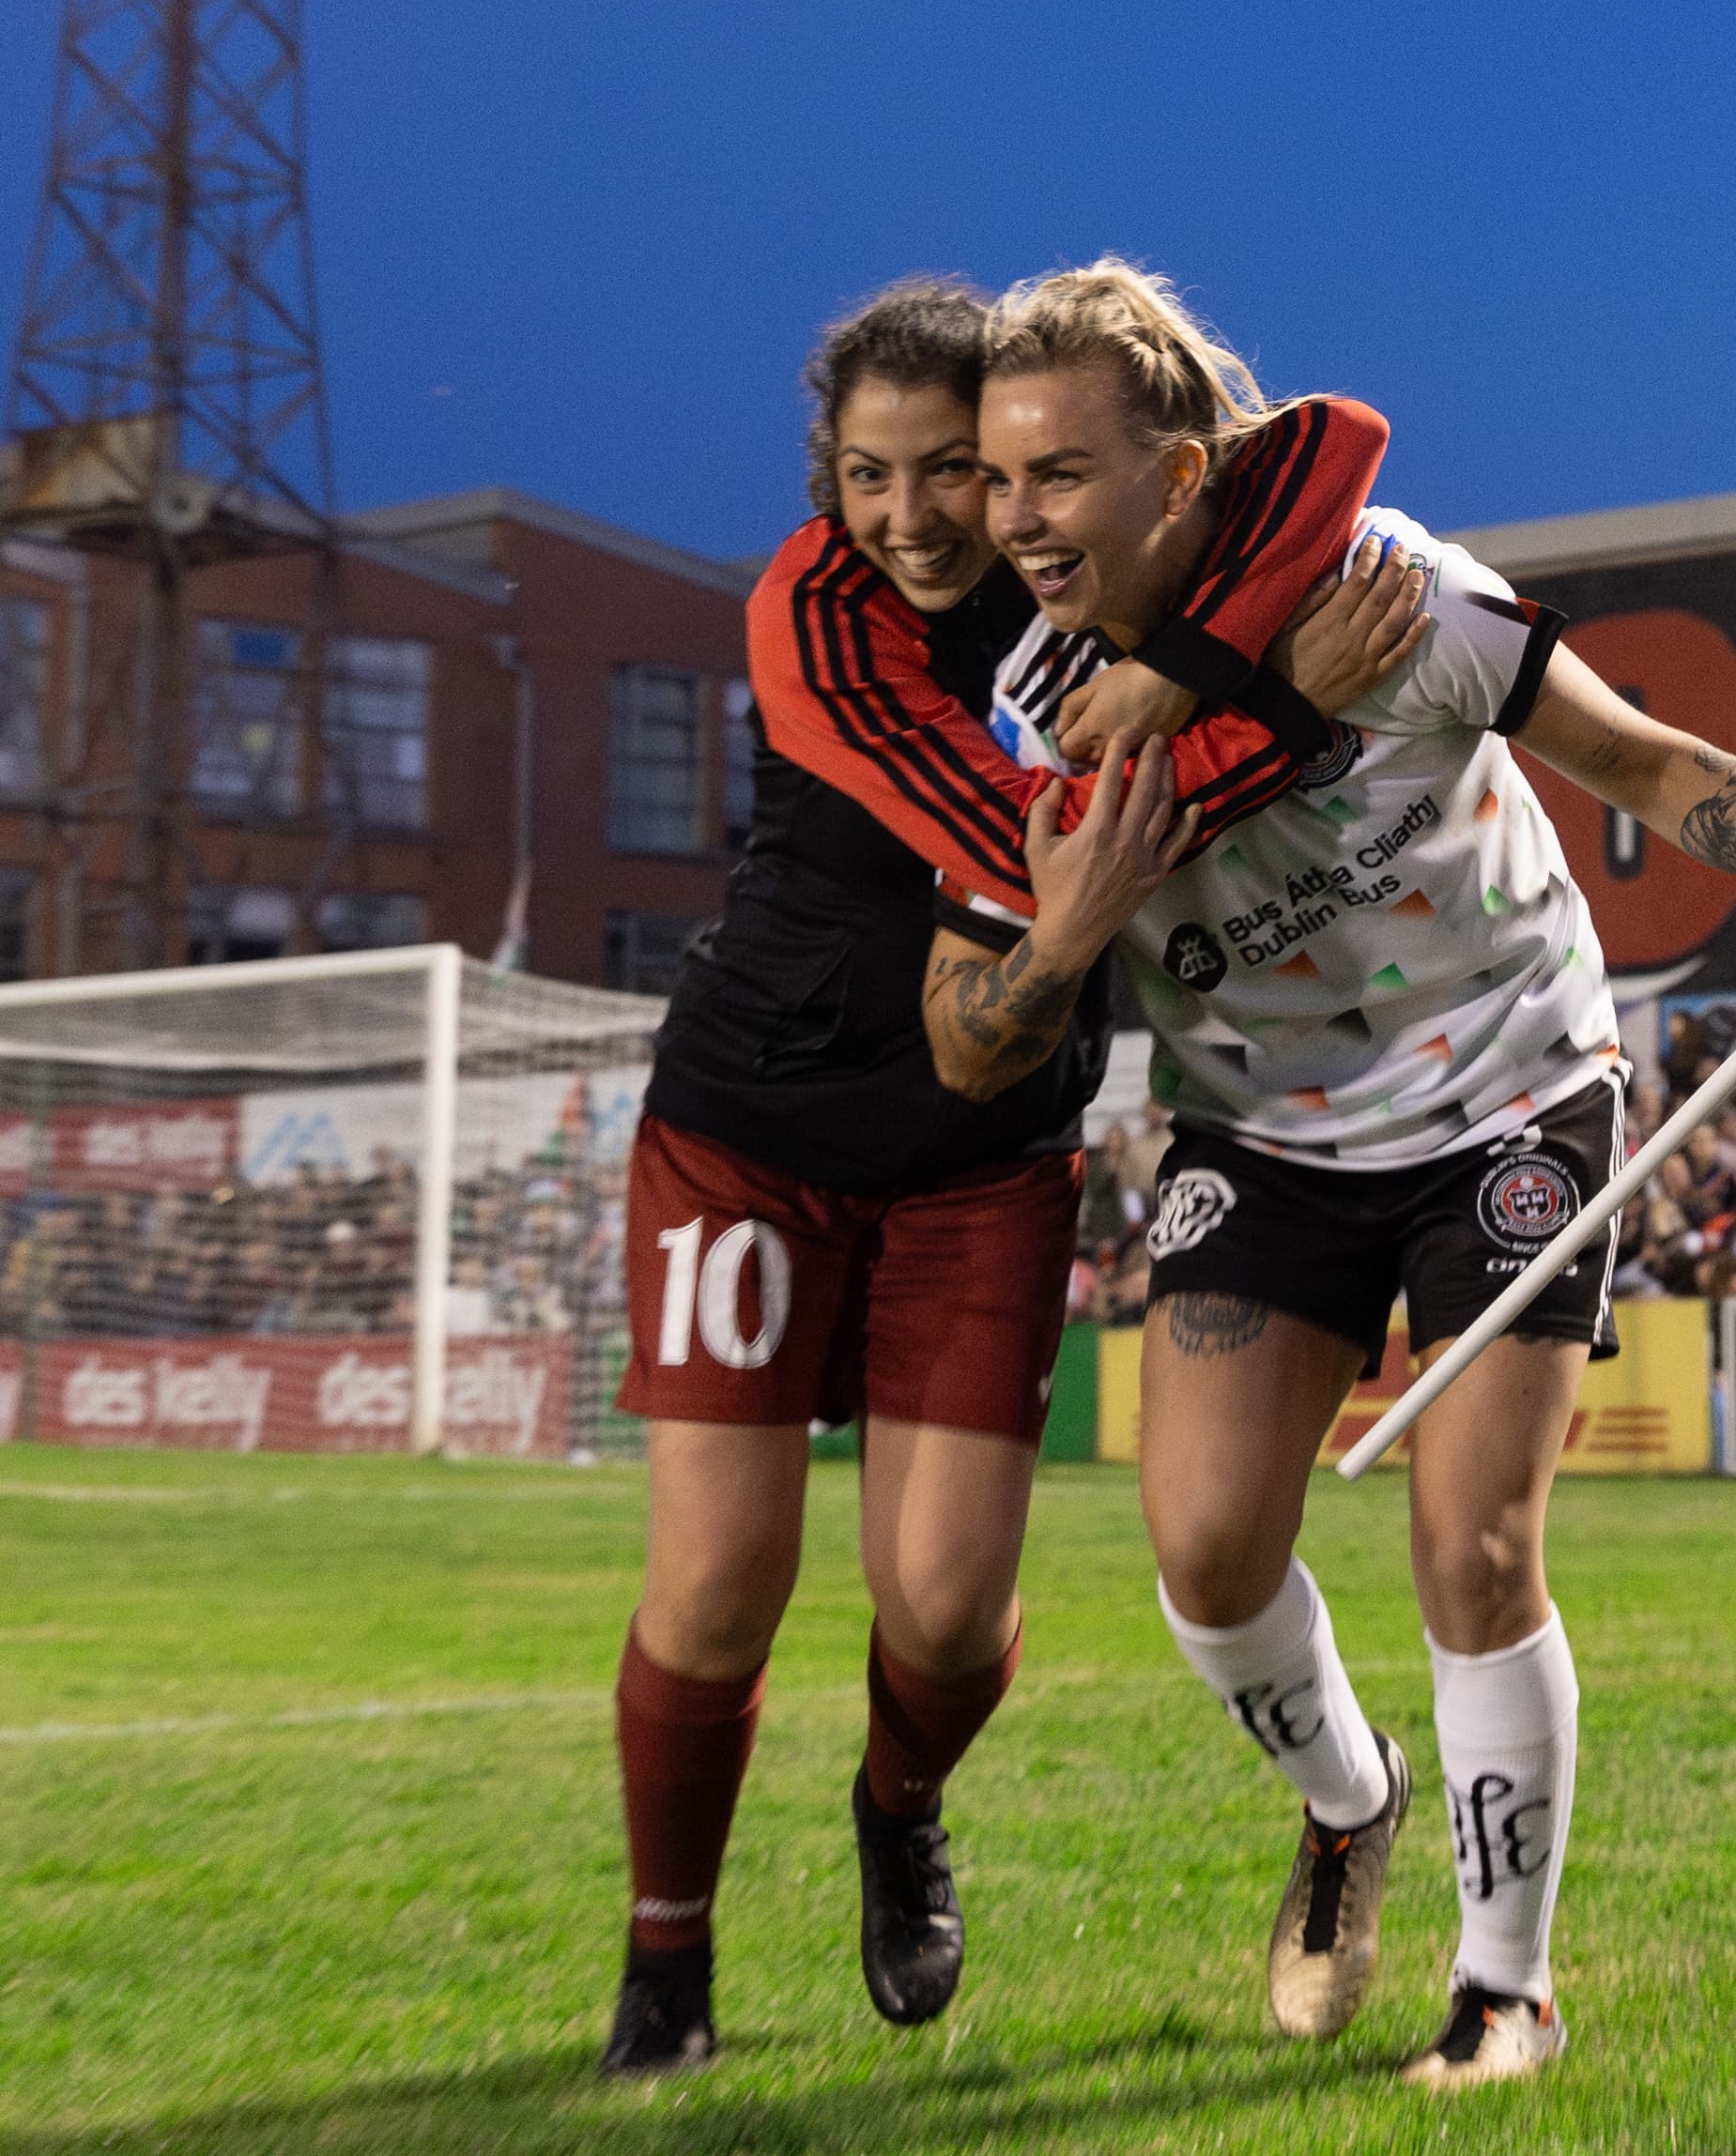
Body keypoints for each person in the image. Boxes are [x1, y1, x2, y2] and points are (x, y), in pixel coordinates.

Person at [960, 259, 1736, 2090]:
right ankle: (1347, 1809)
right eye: (998, 474)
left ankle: (1504, 1987)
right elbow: (1058, 886)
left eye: (1059, 473)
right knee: (1207, 1560)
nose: (1016, 517)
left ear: (1182, 474)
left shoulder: (1406, 591)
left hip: (1514, 1090)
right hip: (1258, 1128)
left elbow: (1638, 758)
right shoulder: (1024, 692)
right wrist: (1231, 721)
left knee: (1479, 1541)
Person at [594, 277, 1397, 2080]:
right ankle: (668, 1959)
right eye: (868, 476)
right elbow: (1039, 846)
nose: (913, 517)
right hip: (756, 1131)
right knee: (720, 1580)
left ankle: (899, 1807)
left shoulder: (1087, 576)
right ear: (828, 482)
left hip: (984, 1158)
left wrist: (1182, 650)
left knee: (947, 1608)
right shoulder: (810, 610)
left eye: (955, 471)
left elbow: (1336, 444)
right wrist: (1270, 709)